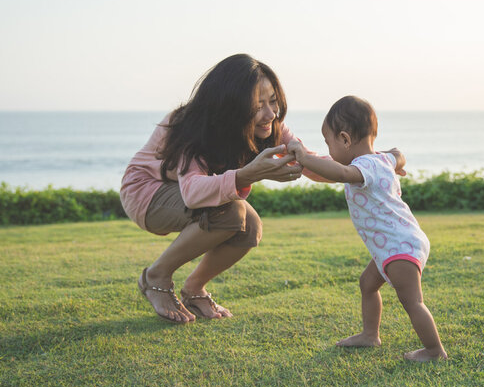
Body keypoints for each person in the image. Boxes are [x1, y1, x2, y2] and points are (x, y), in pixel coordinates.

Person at [120, 54, 323, 323]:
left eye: (273, 101)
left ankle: (194, 289)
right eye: (257, 105)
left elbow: (312, 163)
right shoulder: (192, 125)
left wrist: (368, 164)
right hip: (147, 192)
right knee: (231, 213)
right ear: (230, 106)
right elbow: (193, 192)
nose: (270, 113)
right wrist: (248, 174)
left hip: (182, 191)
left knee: (250, 228)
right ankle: (156, 276)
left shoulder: (270, 126)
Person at [287, 96, 447, 362]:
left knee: (412, 302)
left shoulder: (363, 167)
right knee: (367, 284)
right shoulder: (383, 160)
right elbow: (398, 153)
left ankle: (434, 351)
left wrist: (304, 157)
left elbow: (341, 174)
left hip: (398, 246)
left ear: (345, 139)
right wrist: (399, 162)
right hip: (394, 244)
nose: (328, 151)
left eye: (329, 144)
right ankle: (370, 335)